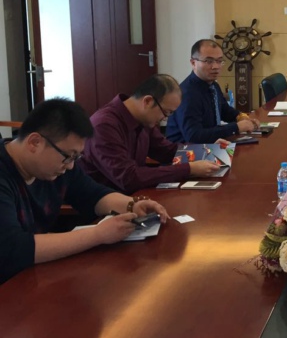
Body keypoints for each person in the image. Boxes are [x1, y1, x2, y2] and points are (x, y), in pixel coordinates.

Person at [0, 98, 169, 284]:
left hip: (34, 274)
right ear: (34, 143)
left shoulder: (55, 167)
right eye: (68, 156)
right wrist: (97, 235)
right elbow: (13, 249)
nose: (71, 166)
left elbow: (93, 193)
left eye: (76, 157)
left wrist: (132, 205)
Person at [80, 74, 222, 193]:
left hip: (134, 195)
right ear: (147, 101)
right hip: (105, 204)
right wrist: (189, 169)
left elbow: (167, 151)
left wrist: (208, 150)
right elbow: (128, 178)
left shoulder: (143, 120)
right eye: (166, 112)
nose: (165, 118)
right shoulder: (104, 125)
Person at [166, 39, 259, 143]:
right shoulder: (187, 93)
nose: (216, 66)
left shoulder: (213, 85)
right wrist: (236, 127)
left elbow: (224, 110)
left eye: (219, 61)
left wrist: (241, 117)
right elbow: (194, 135)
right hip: (186, 149)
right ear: (193, 63)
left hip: (210, 145)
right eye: (209, 61)